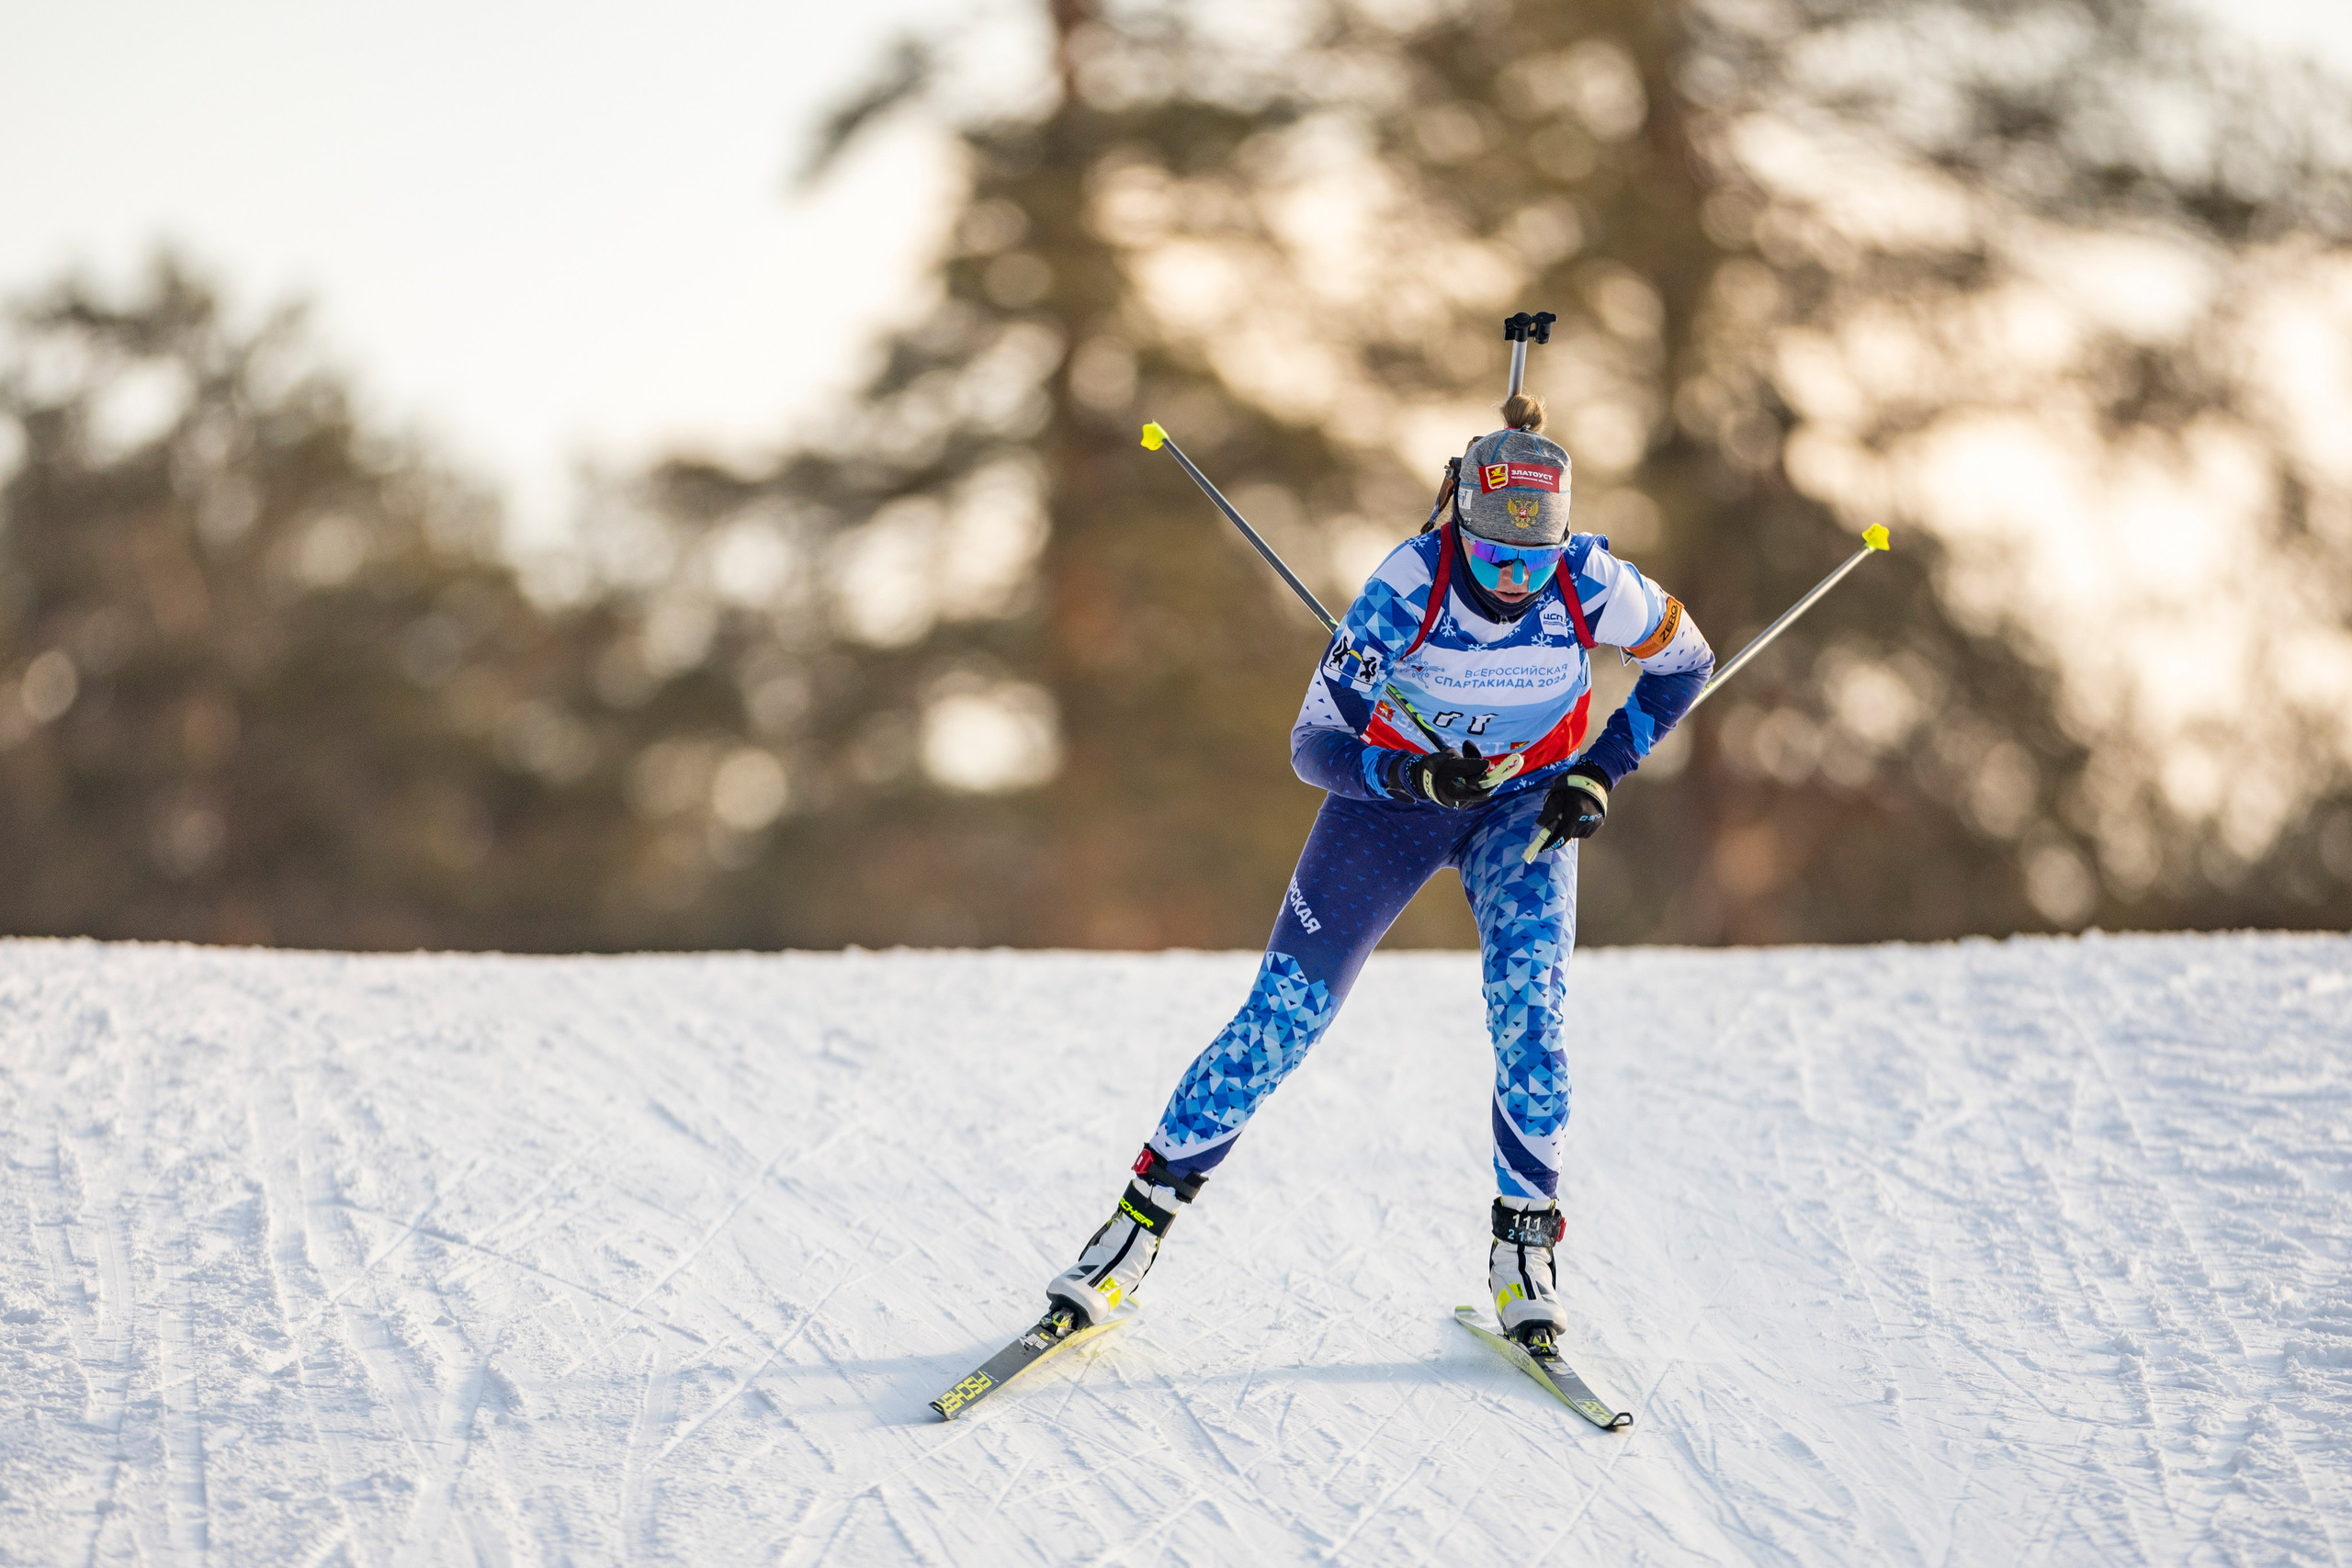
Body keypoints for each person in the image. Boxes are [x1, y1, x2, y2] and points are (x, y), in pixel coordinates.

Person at [1045, 395, 1714, 1351]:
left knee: (1532, 1014)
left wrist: (1600, 773)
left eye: (1534, 558)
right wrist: (1409, 771)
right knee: (1281, 1019)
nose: (1515, 581)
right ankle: (1134, 1229)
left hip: (1524, 810)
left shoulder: (1594, 582)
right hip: (1389, 805)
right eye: (1493, 556)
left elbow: (1687, 664)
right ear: (1459, 521)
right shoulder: (1407, 587)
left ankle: (1523, 1249)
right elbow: (1312, 744)